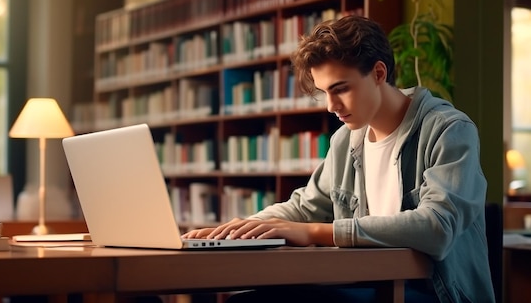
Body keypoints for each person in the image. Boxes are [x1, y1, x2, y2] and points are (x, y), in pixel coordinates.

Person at [183, 15, 495, 303]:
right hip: (371, 284)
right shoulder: (346, 139)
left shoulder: (449, 130)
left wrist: (317, 232)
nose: (331, 106)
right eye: (324, 92)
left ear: (378, 73)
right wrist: (238, 230)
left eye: (340, 89)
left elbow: (437, 227)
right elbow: (305, 207)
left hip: (434, 293)